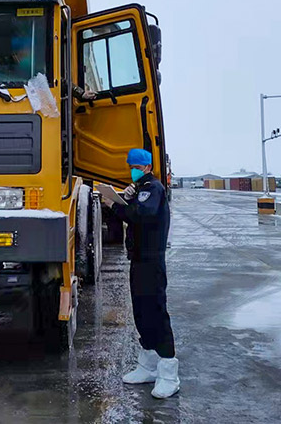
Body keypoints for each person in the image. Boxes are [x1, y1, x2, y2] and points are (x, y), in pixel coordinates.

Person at [108, 148, 179, 399]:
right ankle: (147, 365)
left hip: (151, 260)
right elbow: (136, 208)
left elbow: (143, 214)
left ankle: (169, 373)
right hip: (138, 259)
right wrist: (127, 198)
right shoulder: (141, 188)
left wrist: (118, 206)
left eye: (136, 166)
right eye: (131, 166)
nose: (132, 169)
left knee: (156, 311)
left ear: (147, 167)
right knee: (141, 311)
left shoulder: (154, 188)